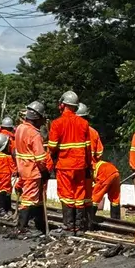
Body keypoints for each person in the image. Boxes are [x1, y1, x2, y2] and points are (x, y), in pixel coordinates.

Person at [48, 91, 92, 234]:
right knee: (79, 195)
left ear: (63, 104)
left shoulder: (57, 123)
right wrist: (88, 165)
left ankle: (68, 226)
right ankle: (79, 227)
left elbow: (52, 146)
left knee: (66, 194)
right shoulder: (84, 123)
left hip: (65, 165)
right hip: (80, 165)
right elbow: (87, 147)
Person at [15, 101, 49, 232]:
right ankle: (22, 226)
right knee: (29, 199)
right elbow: (40, 158)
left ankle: (39, 223)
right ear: (37, 117)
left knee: (37, 198)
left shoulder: (20, 129)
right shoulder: (34, 134)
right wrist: (44, 171)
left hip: (23, 169)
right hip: (32, 170)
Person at [76, 103, 103, 226]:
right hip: (90, 169)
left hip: (75, 167)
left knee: (76, 195)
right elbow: (99, 153)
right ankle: (87, 220)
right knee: (88, 196)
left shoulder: (73, 132)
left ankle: (77, 221)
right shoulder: (93, 132)